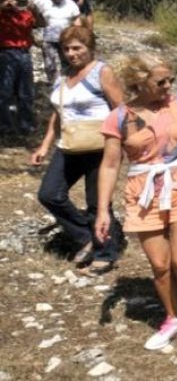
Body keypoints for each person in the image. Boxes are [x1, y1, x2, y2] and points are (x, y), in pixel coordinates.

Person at [96, 54, 177, 352]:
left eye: (170, 80)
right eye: (161, 81)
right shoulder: (119, 117)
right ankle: (174, 318)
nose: (169, 86)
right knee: (160, 265)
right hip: (143, 193)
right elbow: (111, 165)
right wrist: (102, 210)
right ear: (140, 82)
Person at [29, 26, 123, 274]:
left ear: (90, 48)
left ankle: (105, 254)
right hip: (69, 145)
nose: (71, 53)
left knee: (97, 203)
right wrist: (45, 145)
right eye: (66, 49)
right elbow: (58, 114)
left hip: (99, 145)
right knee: (49, 194)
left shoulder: (102, 72)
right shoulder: (63, 76)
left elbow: (121, 109)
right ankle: (86, 236)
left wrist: (125, 142)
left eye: (77, 48)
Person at [0, 0, 38, 137]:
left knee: (26, 91)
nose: (11, 0)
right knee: (4, 91)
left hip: (23, 53)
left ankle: (26, 125)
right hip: (5, 53)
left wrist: (35, 9)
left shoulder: (24, 14)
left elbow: (40, 24)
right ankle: (5, 126)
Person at [34, 0, 83, 83]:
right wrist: (35, 34)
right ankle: (52, 83)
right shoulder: (40, 2)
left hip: (66, 38)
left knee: (67, 60)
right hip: (47, 38)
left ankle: (68, 81)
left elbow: (77, 20)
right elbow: (30, 12)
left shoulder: (70, 4)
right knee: (49, 62)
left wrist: (79, 35)